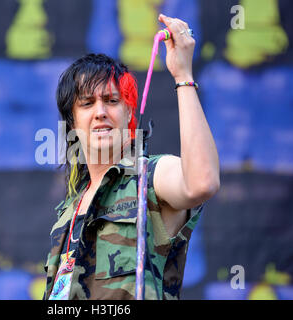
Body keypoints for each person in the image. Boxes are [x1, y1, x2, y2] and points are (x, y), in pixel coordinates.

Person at [43, 14, 220, 300]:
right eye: (87, 103)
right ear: (72, 122)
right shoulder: (67, 211)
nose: (100, 111)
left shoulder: (149, 176)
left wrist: (183, 76)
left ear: (128, 114)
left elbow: (202, 183)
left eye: (112, 101)